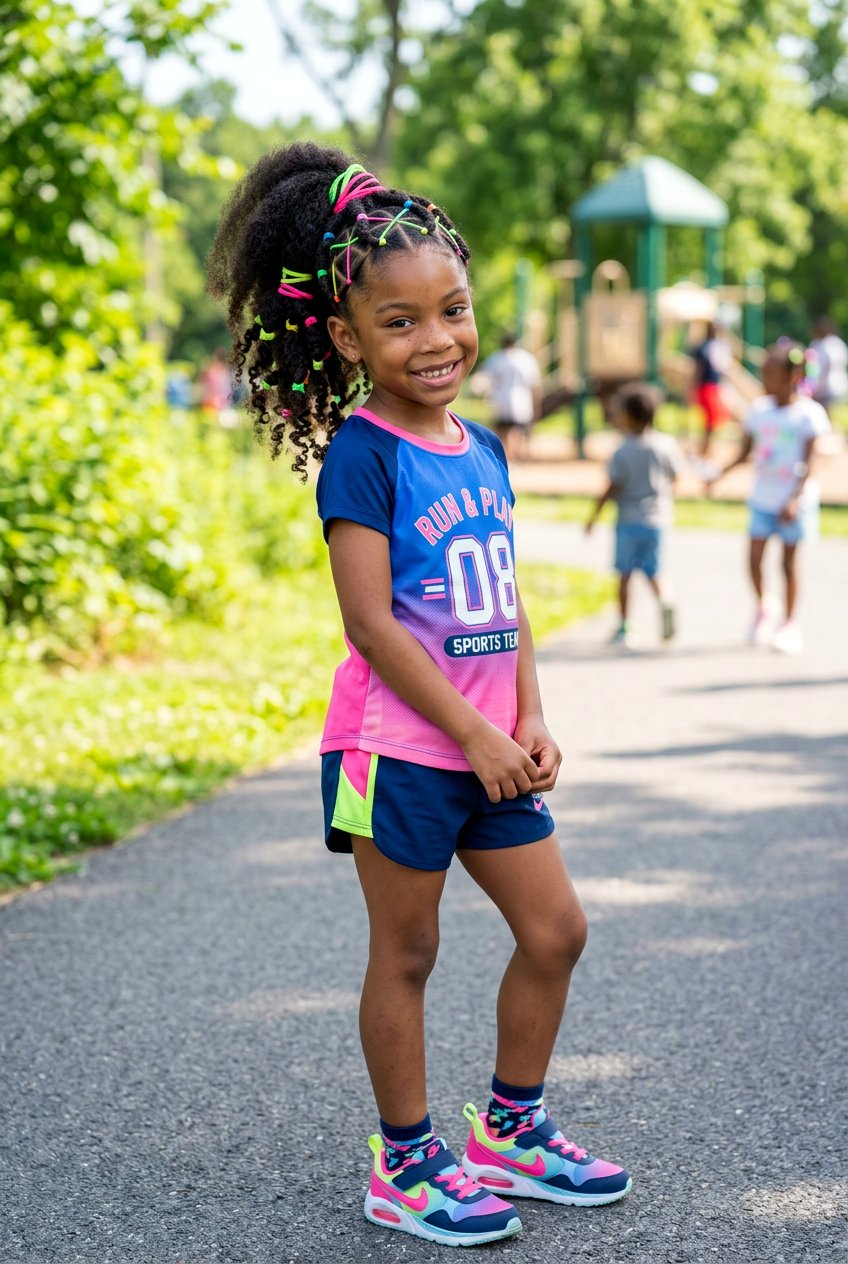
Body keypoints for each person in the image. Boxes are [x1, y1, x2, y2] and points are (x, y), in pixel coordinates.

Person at [207, 142, 631, 1248]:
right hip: (396, 749)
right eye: (398, 323)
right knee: (407, 952)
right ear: (347, 338)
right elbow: (369, 624)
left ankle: (509, 1129)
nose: (435, 338)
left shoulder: (481, 445)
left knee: (555, 930)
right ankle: (403, 1162)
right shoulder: (365, 450)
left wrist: (527, 716)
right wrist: (476, 731)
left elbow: (506, 595)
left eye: (449, 309)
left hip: (493, 744)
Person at [708, 342, 830, 654]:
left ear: (793, 375)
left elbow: (810, 463)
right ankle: (764, 607)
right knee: (754, 559)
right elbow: (744, 452)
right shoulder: (759, 411)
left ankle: (789, 623)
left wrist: (795, 498)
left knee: (788, 565)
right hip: (763, 497)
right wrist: (720, 474)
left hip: (793, 502)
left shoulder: (808, 415)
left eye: (771, 373)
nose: (765, 379)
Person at [585, 382, 683, 647]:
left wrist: (593, 516)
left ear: (629, 415)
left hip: (628, 520)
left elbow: (612, 486)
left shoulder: (623, 450)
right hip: (657, 519)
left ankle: (625, 627)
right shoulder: (665, 444)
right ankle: (665, 599)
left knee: (625, 575)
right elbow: (676, 476)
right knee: (654, 570)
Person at [477, 332, 542, 464]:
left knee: (502, 431)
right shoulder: (526, 358)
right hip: (521, 400)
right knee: (517, 431)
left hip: (500, 400)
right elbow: (535, 383)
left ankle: (503, 457)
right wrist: (537, 403)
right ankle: (514, 457)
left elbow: (484, 379)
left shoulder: (495, 359)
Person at [690, 320, 731, 456]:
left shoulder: (719, 346)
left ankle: (707, 445)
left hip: (715, 385)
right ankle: (705, 446)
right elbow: (698, 369)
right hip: (705, 385)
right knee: (709, 418)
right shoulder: (703, 348)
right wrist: (693, 386)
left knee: (713, 418)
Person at [809, 316, 848, 417]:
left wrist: (818, 388)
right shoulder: (838, 343)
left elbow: (826, 366)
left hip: (827, 390)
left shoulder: (825, 344)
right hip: (840, 386)